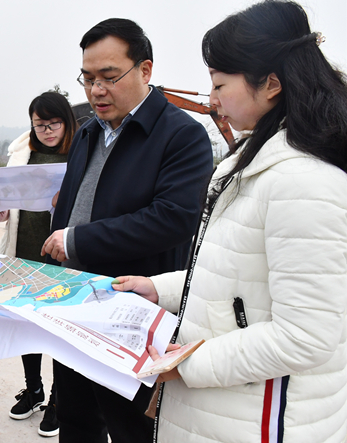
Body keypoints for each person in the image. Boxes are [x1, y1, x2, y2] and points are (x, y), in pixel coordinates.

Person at [113, 2, 347, 442]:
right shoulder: (254, 160)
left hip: (262, 420)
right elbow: (239, 279)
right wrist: (159, 288)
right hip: (227, 412)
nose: (212, 100)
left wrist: (188, 364)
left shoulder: (304, 182)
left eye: (220, 84)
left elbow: (305, 336)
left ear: (271, 84)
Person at [41, 18, 213, 443]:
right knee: (76, 420)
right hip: (74, 302)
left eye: (109, 77)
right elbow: (73, 206)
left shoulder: (181, 135)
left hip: (132, 312)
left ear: (145, 70)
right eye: (88, 78)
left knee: (132, 426)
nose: (96, 90)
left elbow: (174, 217)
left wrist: (77, 239)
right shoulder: (87, 132)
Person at [0, 91, 77, 438]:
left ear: (66, 122)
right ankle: (34, 389)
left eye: (54, 123)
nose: (47, 131)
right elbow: (5, 214)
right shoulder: (22, 156)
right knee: (28, 328)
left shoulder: (78, 155)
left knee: (59, 331)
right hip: (24, 253)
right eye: (40, 124)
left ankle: (57, 399)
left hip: (62, 257)